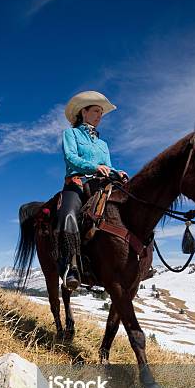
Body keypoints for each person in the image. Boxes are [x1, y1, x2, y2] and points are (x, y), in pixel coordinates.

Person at [57, 90, 128, 291]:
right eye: (96, 111)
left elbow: (107, 165)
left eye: (101, 113)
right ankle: (71, 267)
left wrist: (117, 172)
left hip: (101, 184)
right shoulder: (71, 134)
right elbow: (70, 158)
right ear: (83, 112)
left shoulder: (103, 144)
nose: (99, 116)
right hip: (77, 183)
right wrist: (93, 167)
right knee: (69, 214)